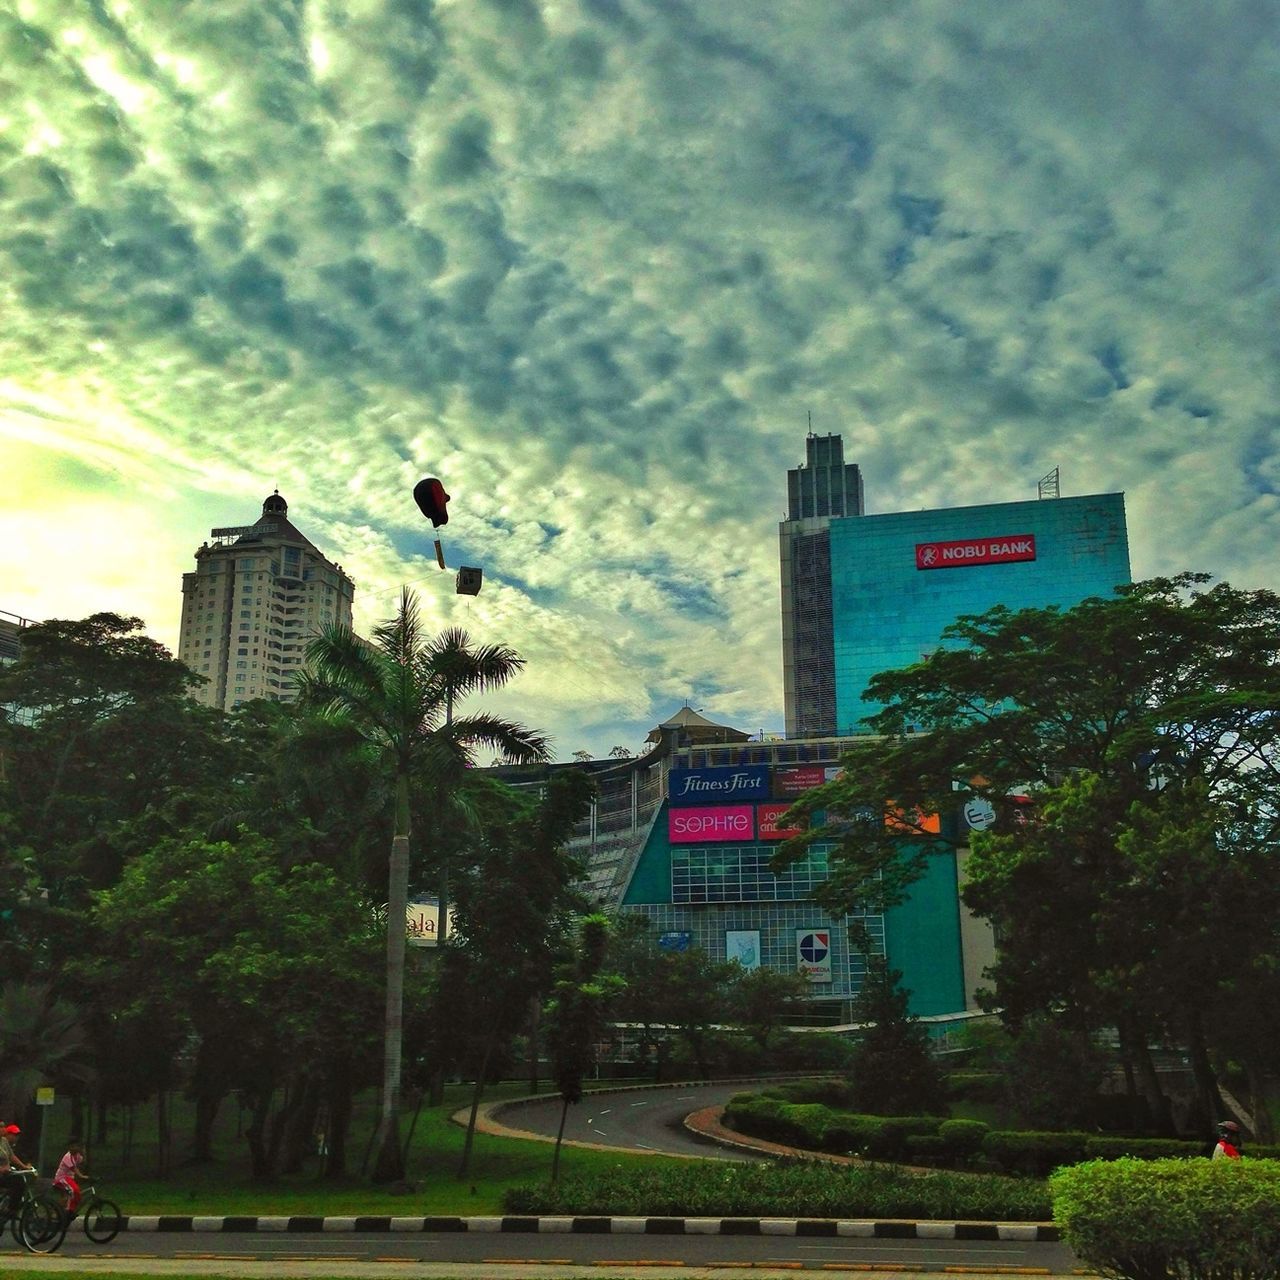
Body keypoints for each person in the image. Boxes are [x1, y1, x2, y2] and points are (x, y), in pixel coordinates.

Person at [0, 1123, 33, 1216]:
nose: (3, 1129)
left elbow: (12, 1156)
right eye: (0, 1127)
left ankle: (11, 1207)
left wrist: (24, 1166)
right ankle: (10, 1209)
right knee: (18, 1182)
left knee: (20, 1180)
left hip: (6, 1173)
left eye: (3, 1126)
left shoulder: (4, 1141)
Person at [53, 1137, 89, 1212]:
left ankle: (62, 1210)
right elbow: (74, 1168)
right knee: (74, 1191)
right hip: (62, 1178)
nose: (74, 1148)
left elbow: (82, 1162)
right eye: (72, 1146)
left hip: (69, 1179)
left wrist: (84, 1152)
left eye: (76, 1146)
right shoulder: (68, 1156)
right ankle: (68, 1210)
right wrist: (81, 1176)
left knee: (71, 1196)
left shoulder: (77, 1156)